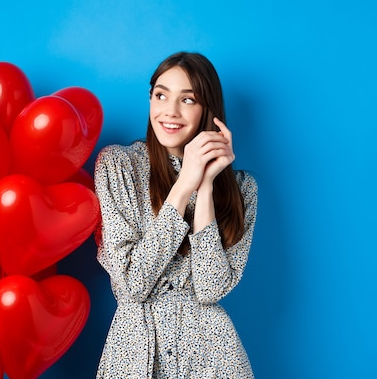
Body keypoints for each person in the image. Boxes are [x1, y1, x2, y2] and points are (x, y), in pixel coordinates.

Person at [94, 51, 258, 378]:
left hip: (212, 358)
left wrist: (208, 185)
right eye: (160, 95)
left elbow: (210, 290)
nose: (170, 111)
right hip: (134, 355)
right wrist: (184, 186)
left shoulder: (242, 190)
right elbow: (131, 285)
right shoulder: (118, 166)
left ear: (206, 110)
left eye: (187, 100)